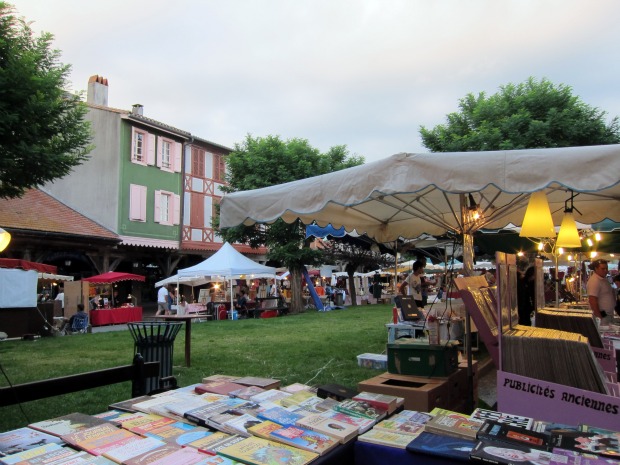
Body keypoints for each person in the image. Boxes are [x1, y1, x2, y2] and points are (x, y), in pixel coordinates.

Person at [587, 259, 614, 325]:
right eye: (603, 269)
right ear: (596, 269)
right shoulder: (594, 281)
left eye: (606, 268)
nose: (605, 270)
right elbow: (592, 300)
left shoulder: (604, 279)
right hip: (602, 315)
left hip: (608, 314)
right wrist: (599, 317)